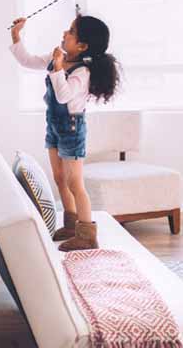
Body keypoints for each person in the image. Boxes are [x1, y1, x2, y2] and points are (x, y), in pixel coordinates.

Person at [9, 14, 120, 251]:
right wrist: (16, 37)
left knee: (75, 182)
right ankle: (70, 224)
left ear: (82, 46)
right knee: (60, 178)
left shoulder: (82, 72)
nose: (64, 33)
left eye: (70, 31)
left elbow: (64, 95)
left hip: (72, 128)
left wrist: (58, 68)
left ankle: (87, 233)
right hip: (54, 125)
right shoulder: (55, 58)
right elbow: (28, 61)